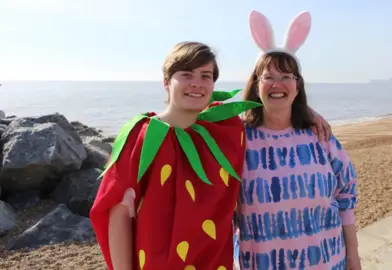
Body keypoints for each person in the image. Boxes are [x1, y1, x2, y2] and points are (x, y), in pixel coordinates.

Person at [90, 41, 263, 270]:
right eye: (186, 74)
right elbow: (119, 214)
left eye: (205, 75)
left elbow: (273, 119)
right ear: (166, 81)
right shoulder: (141, 135)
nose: (197, 84)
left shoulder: (225, 130)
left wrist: (311, 118)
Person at [235, 10, 361, 270]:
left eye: (286, 77)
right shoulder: (237, 140)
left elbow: (346, 194)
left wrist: (353, 257)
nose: (277, 84)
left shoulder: (320, 136)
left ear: (298, 85)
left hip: (327, 262)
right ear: (256, 84)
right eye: (268, 77)